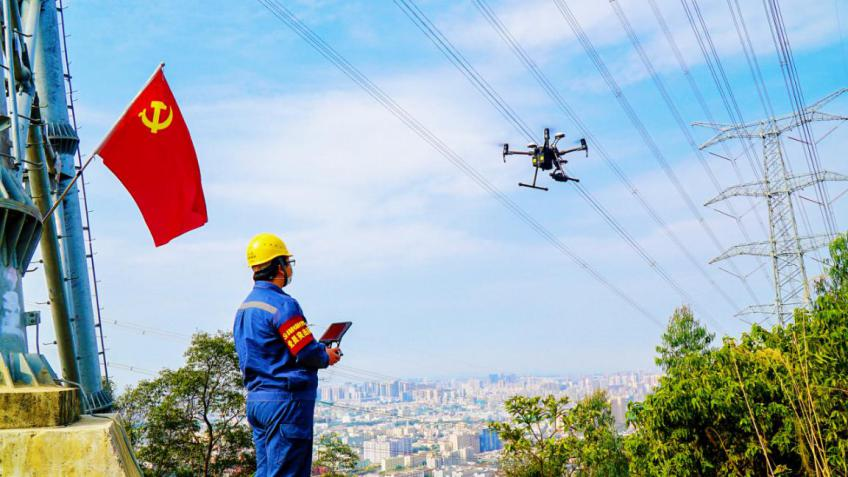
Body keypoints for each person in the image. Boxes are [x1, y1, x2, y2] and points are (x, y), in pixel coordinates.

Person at [234, 233, 342, 476]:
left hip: (257, 402)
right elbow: (305, 351)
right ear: (278, 267)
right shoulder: (283, 305)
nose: (289, 269)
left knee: (267, 472)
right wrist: (326, 356)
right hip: (285, 403)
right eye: (287, 263)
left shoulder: (245, 308)